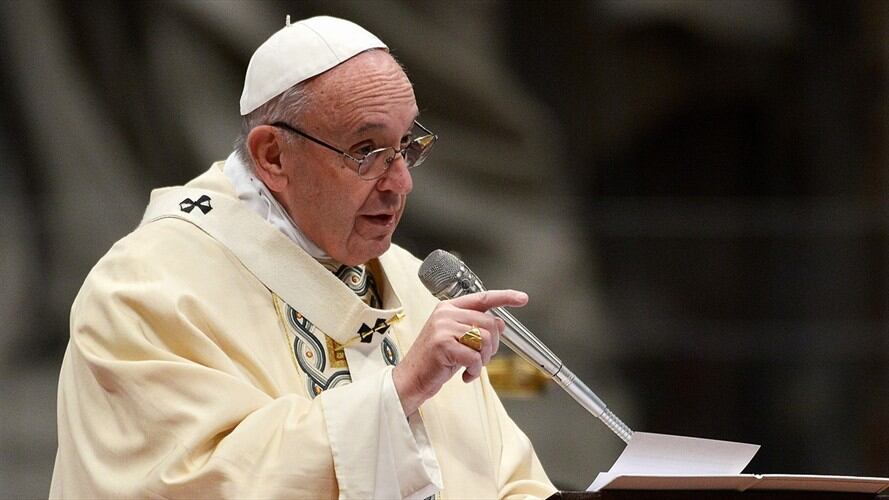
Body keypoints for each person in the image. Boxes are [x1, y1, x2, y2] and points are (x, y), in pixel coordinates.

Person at [50, 15, 556, 499]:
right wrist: (397, 392)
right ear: (272, 155)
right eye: (366, 151)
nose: (401, 182)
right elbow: (192, 482)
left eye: (406, 145)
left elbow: (506, 478)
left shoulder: (407, 280)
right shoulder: (146, 290)